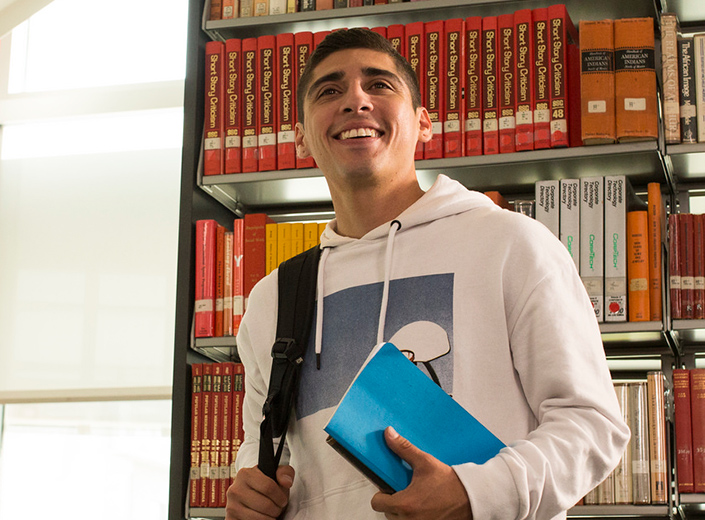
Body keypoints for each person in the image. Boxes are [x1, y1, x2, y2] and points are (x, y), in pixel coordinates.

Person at [226, 28, 630, 520]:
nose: (355, 99)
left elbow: (592, 426)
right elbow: (265, 449)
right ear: (302, 136)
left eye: (379, 85)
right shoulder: (274, 297)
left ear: (424, 125)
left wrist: (474, 493)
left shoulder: (510, 244)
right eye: (329, 90)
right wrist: (252, 488)